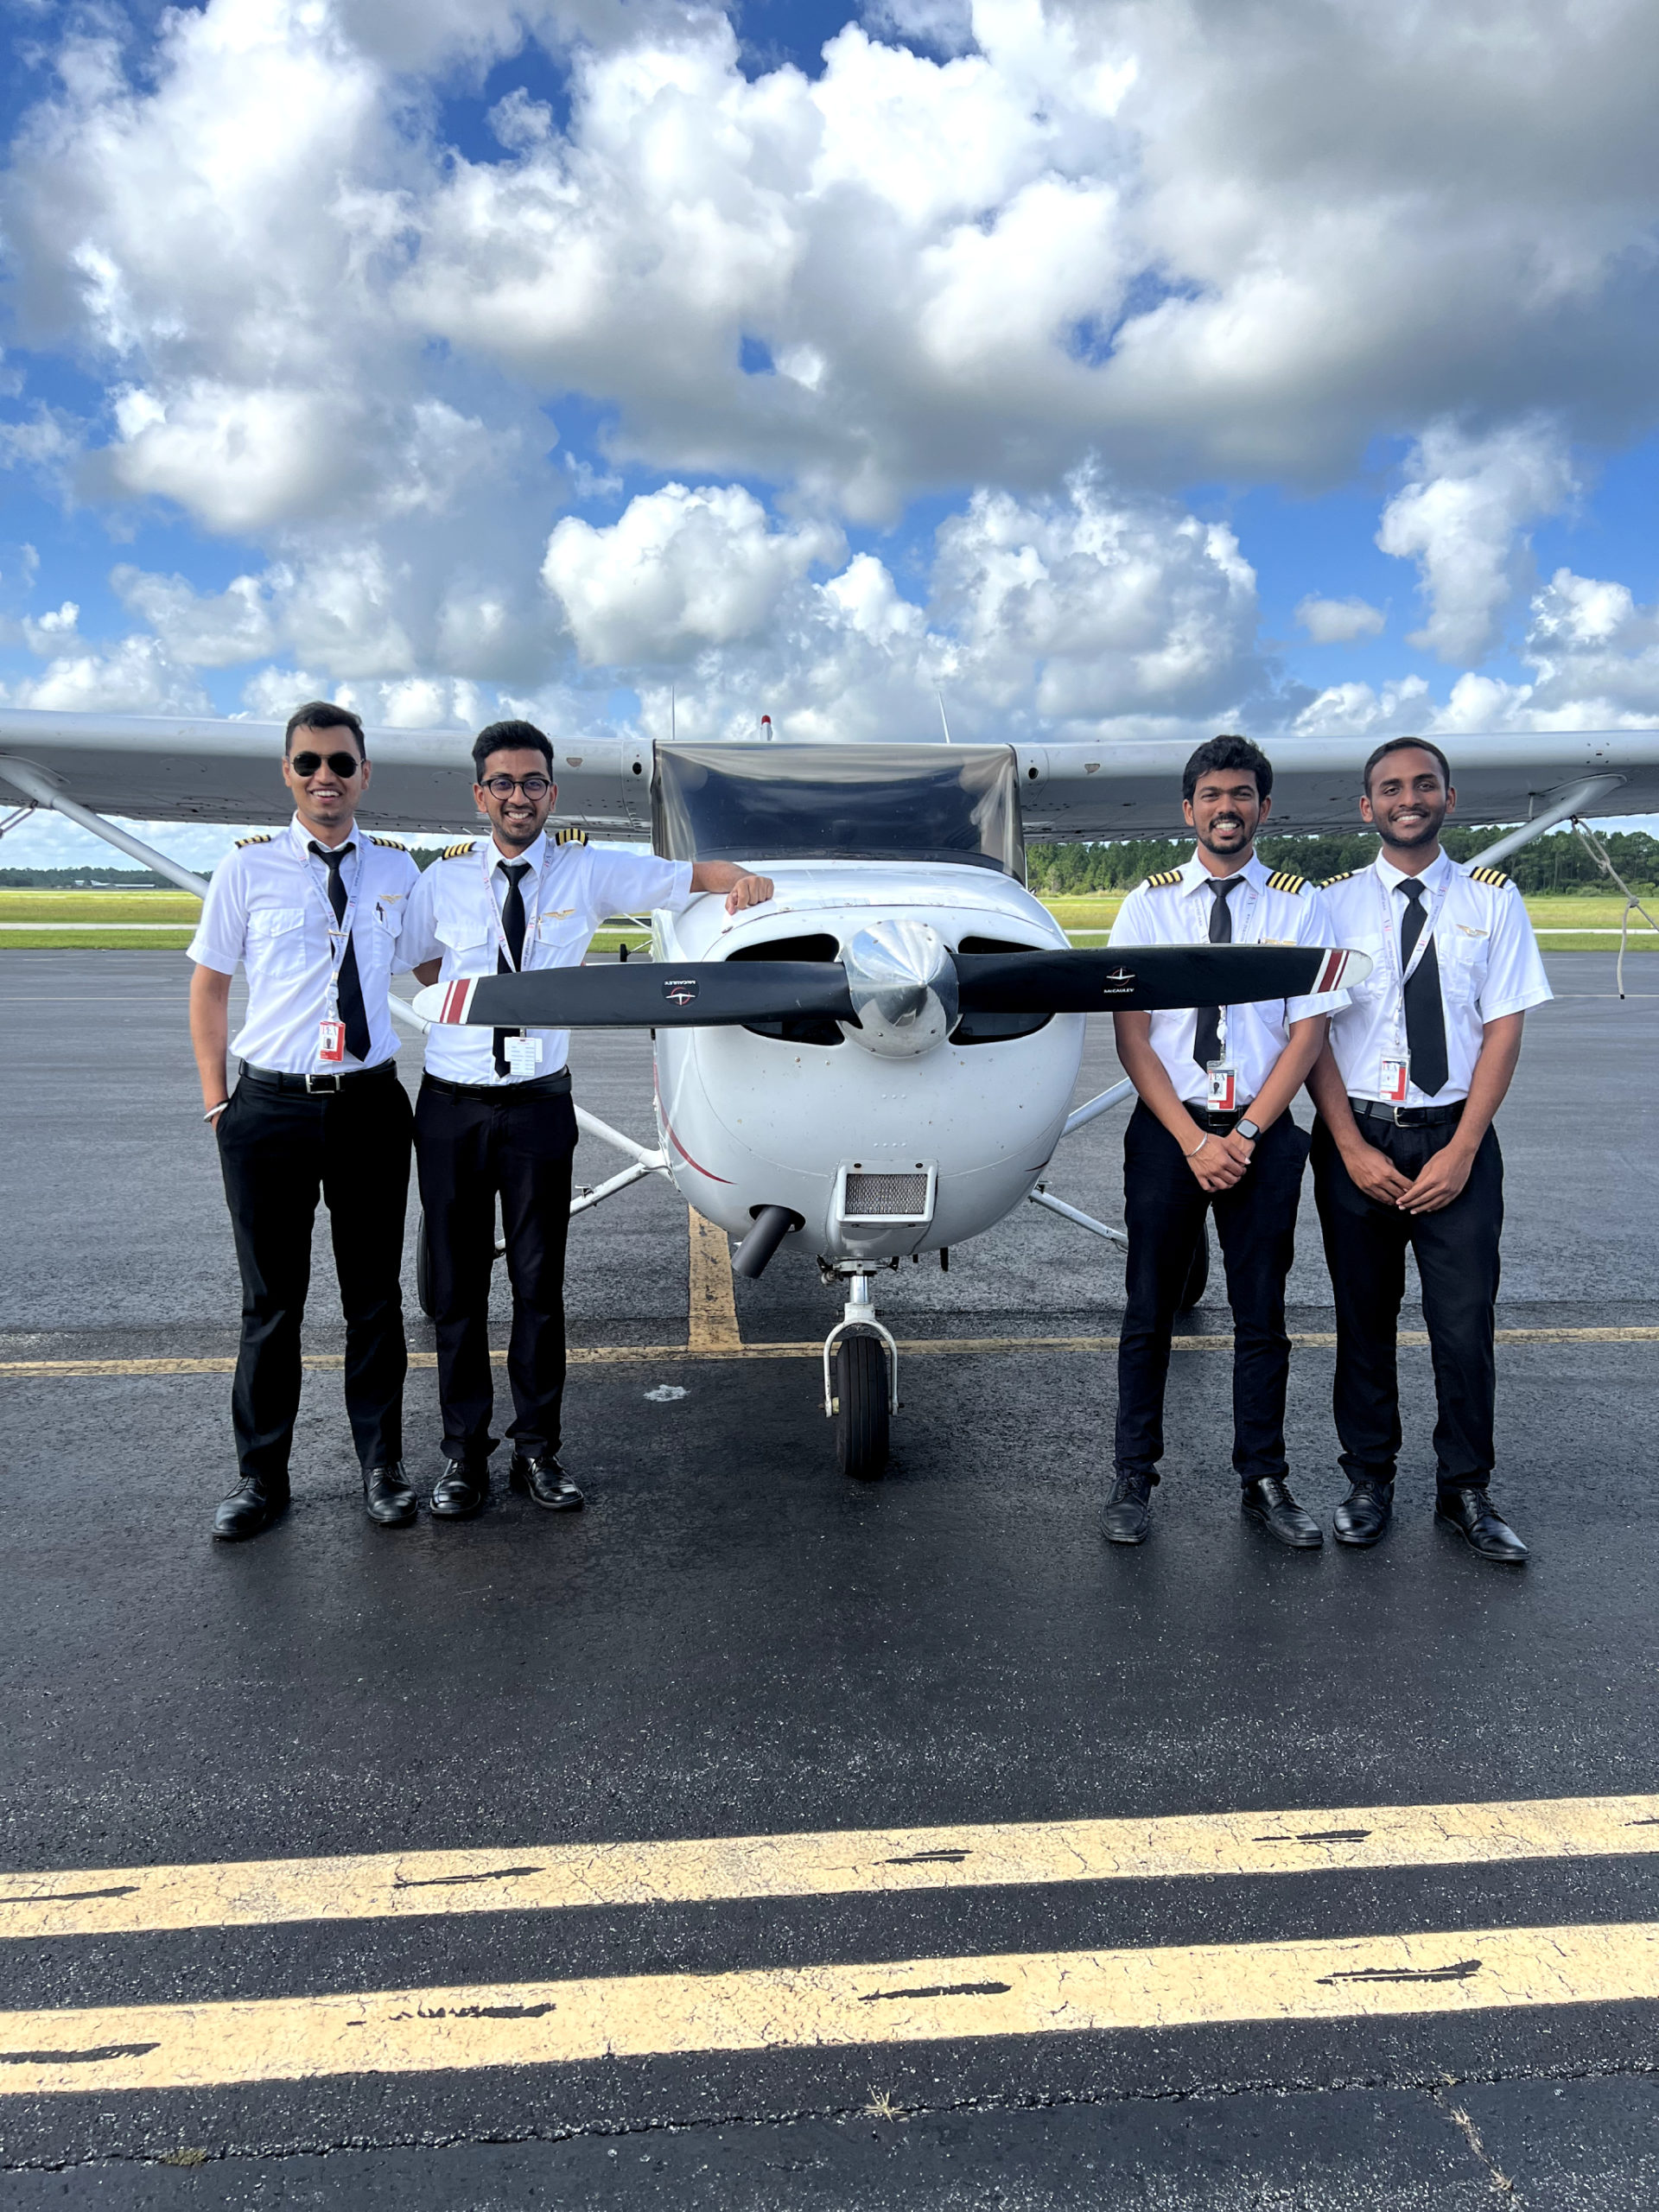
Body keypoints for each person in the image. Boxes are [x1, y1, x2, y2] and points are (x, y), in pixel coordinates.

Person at [401, 720, 773, 1519]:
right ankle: (463, 1456)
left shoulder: (588, 870)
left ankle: (538, 1450)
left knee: (539, 1288)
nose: (519, 796)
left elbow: (688, 877)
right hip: (452, 1105)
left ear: (551, 793)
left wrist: (744, 879)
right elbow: (425, 963)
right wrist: (475, 1009)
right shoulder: (445, 879)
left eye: (533, 782)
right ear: (480, 795)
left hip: (538, 1107)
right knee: (456, 1293)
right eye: (503, 783)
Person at [1102, 734, 1349, 1550]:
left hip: (1261, 1132)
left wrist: (1243, 1134)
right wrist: (1191, 1140)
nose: (1226, 808)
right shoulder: (1148, 906)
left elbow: (1309, 1032)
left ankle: (1264, 1478)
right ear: (1189, 810)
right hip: (1170, 1131)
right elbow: (1133, 1036)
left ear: (1263, 808)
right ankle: (1133, 1475)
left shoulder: (1299, 906)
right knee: (1149, 1309)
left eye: (1241, 794)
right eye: (1211, 795)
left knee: (1262, 1314)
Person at [1307, 738, 1550, 1561]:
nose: (1407, 798)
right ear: (1366, 807)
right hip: (1360, 1136)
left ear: (1449, 797)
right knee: (1362, 1319)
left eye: (1423, 785)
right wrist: (1348, 1146)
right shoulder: (1330, 907)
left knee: (1464, 1322)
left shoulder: (1494, 901)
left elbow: (1504, 1028)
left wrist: (1464, 1148)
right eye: (1390, 788)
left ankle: (1465, 1490)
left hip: (1456, 1136)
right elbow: (1313, 1035)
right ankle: (1368, 1479)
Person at [188, 701, 421, 1541]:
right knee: (270, 1303)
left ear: (364, 774)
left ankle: (381, 1466)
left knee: (375, 1299)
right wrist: (218, 1101)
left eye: (341, 763)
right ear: (288, 773)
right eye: (310, 762)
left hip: (369, 1105)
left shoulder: (397, 870)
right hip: (270, 1108)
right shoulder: (245, 869)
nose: (327, 776)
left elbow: (437, 964)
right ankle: (261, 1477)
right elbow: (210, 986)